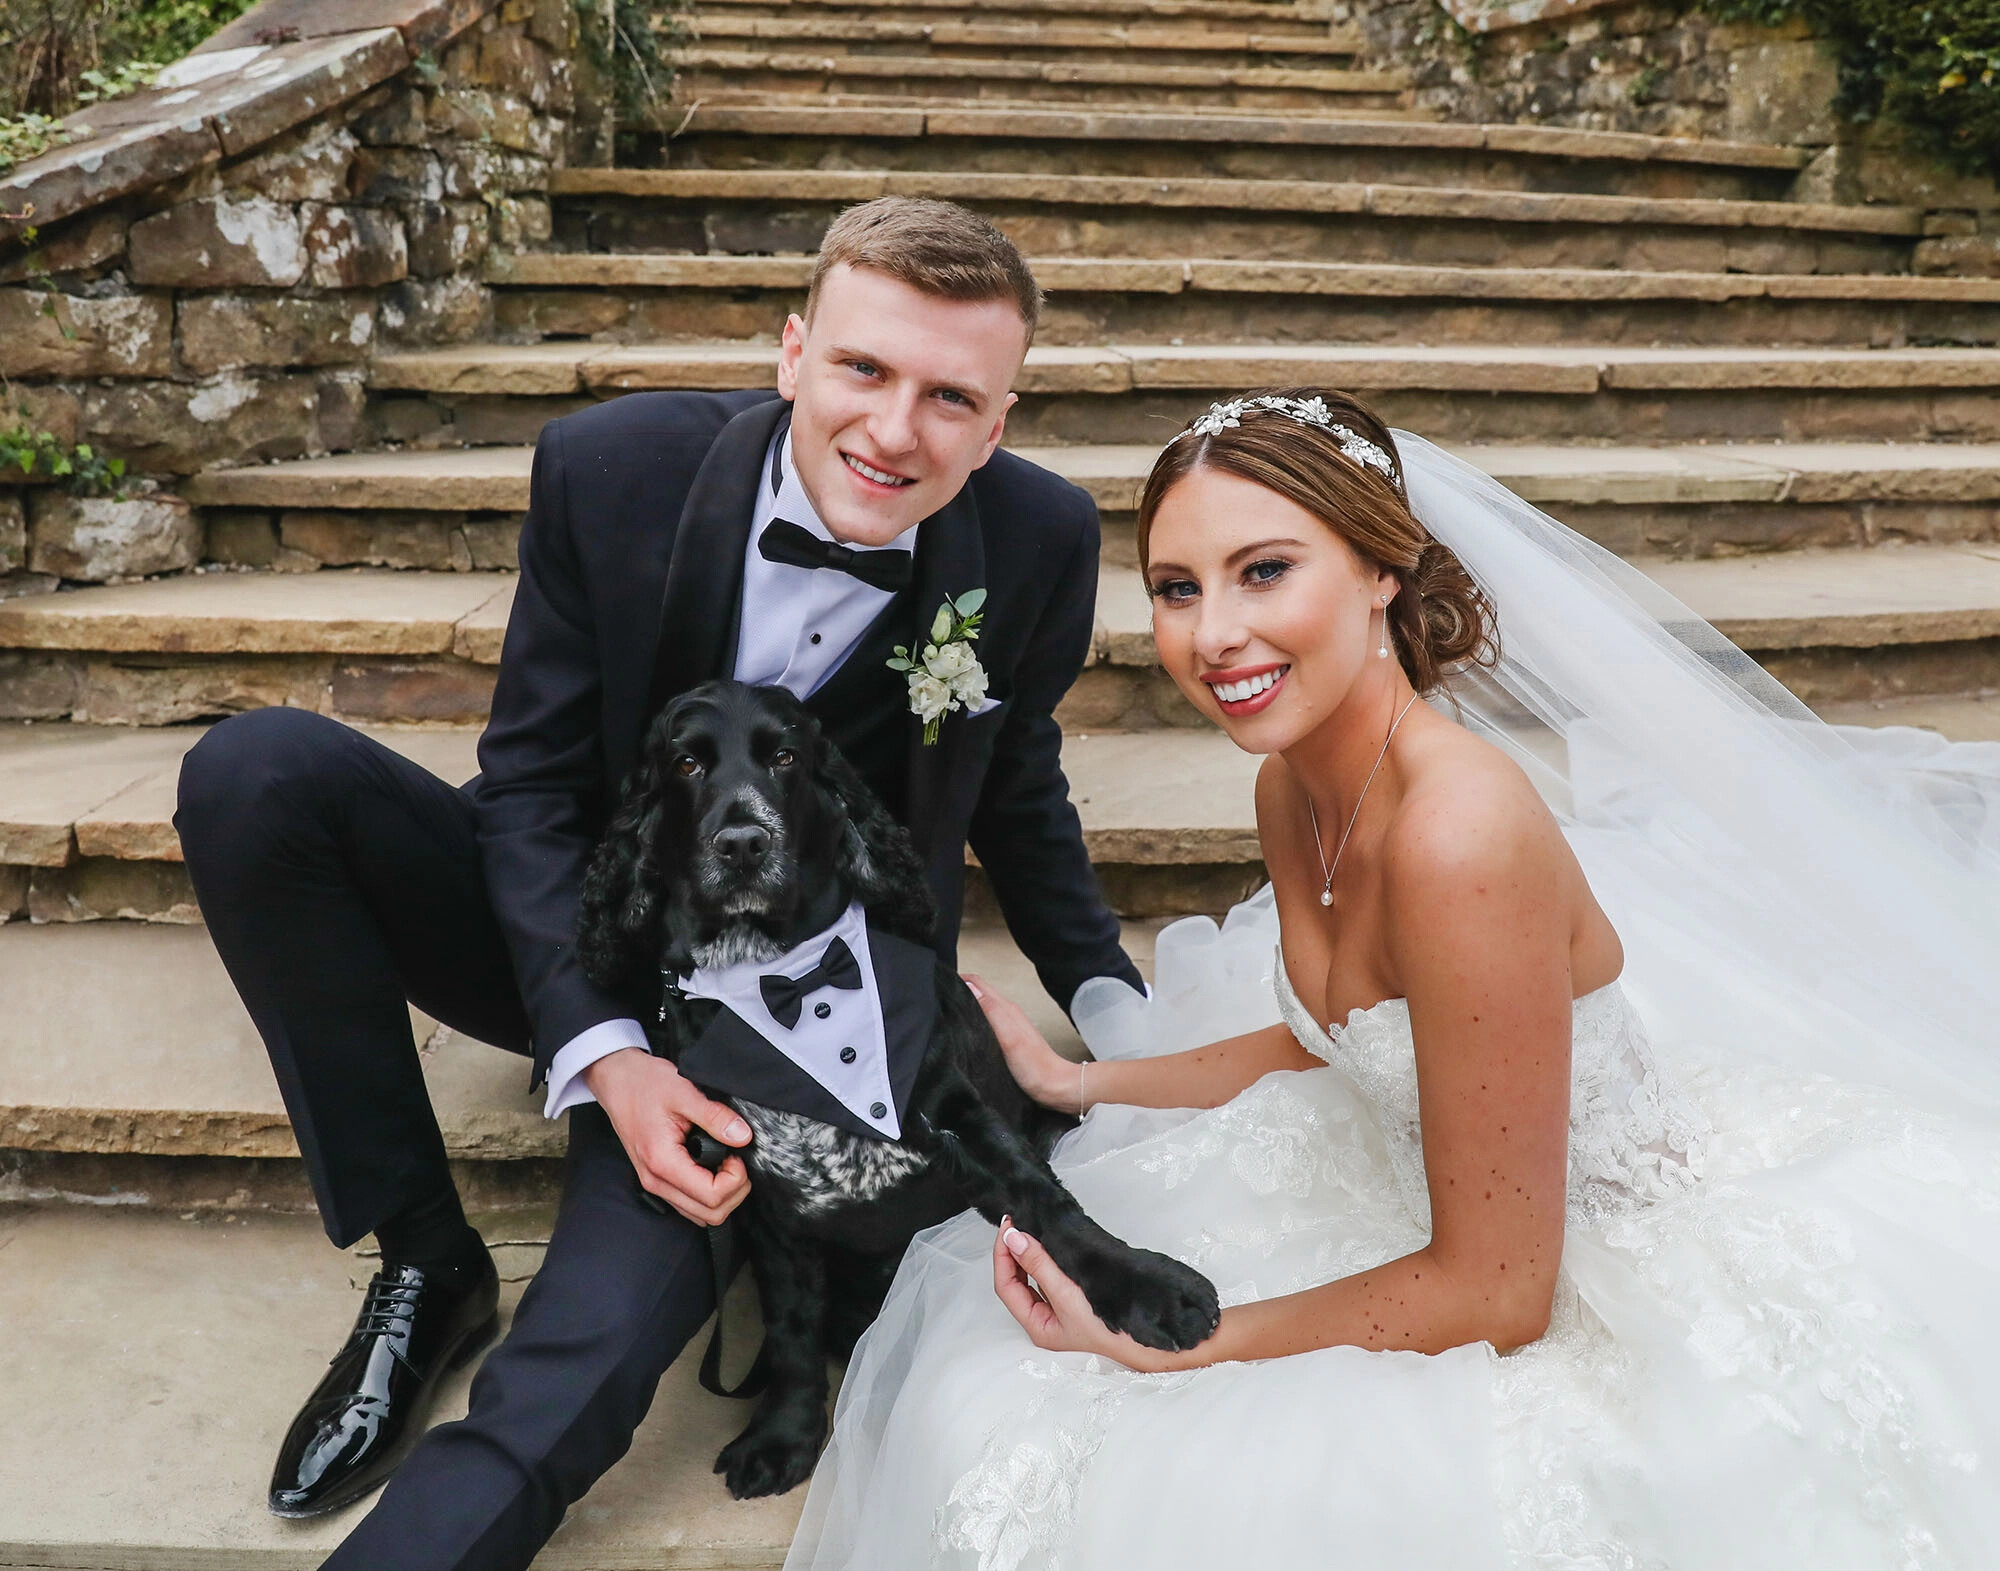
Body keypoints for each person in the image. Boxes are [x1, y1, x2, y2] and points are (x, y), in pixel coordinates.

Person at [786, 389, 2000, 1571]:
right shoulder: (1291, 780)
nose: (1211, 636)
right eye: (1175, 586)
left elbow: (1501, 1290)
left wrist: (1182, 1342)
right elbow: (1337, 1038)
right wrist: (1081, 1071)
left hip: (1572, 1271)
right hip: (1427, 1197)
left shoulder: (1455, 832)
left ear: (1379, 570)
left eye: (1263, 570)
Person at [172, 195, 1143, 1570]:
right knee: (257, 774)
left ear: (997, 425)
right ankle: (425, 1259)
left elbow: (1019, 784)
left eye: (950, 398)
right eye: (865, 369)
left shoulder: (1038, 540)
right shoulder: (613, 468)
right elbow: (527, 786)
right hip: (575, 921)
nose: (893, 429)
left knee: (582, 1355)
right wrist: (597, 1044)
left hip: (792, 1003)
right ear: (793, 350)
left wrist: (1121, 1007)